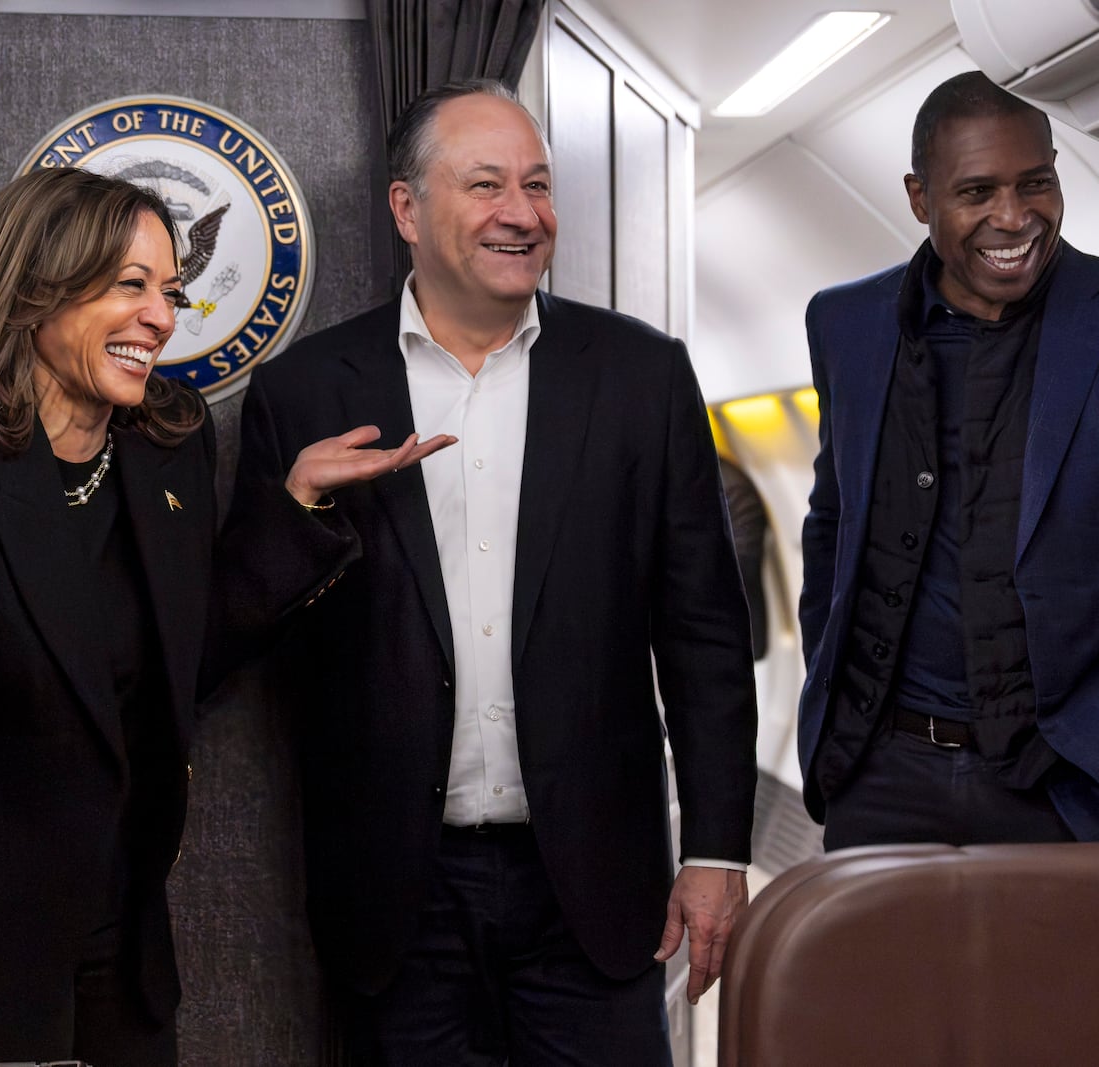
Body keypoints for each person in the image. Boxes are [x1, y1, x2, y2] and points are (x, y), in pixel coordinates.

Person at [0, 166, 444, 1065]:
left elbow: (182, 660)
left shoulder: (167, 445)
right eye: (131, 286)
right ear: (32, 293)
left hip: (118, 943)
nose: (162, 318)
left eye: (169, 291)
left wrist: (293, 507)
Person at [223, 79, 757, 1065]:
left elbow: (704, 632)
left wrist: (717, 849)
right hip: (395, 894)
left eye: (538, 185)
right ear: (406, 210)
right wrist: (295, 514)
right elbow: (243, 637)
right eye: (486, 184)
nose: (523, 213)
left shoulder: (639, 377)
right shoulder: (303, 392)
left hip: (593, 885)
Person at [796, 70, 1099, 847]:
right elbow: (831, 524)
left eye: (1036, 182)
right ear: (919, 198)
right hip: (879, 772)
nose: (1014, 216)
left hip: (1067, 782)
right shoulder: (845, 323)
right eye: (977, 192)